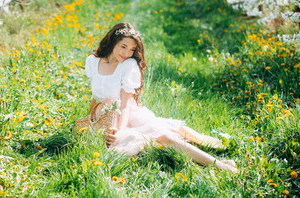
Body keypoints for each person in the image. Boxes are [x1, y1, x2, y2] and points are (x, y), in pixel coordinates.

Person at [84, 22, 237, 173]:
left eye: (132, 49)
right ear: (112, 41)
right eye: (123, 47)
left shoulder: (128, 65)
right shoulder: (93, 61)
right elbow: (96, 96)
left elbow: (124, 105)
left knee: (165, 137)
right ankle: (217, 161)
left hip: (127, 115)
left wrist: (119, 130)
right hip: (107, 116)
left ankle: (220, 166)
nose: (127, 53)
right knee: (154, 141)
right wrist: (92, 119)